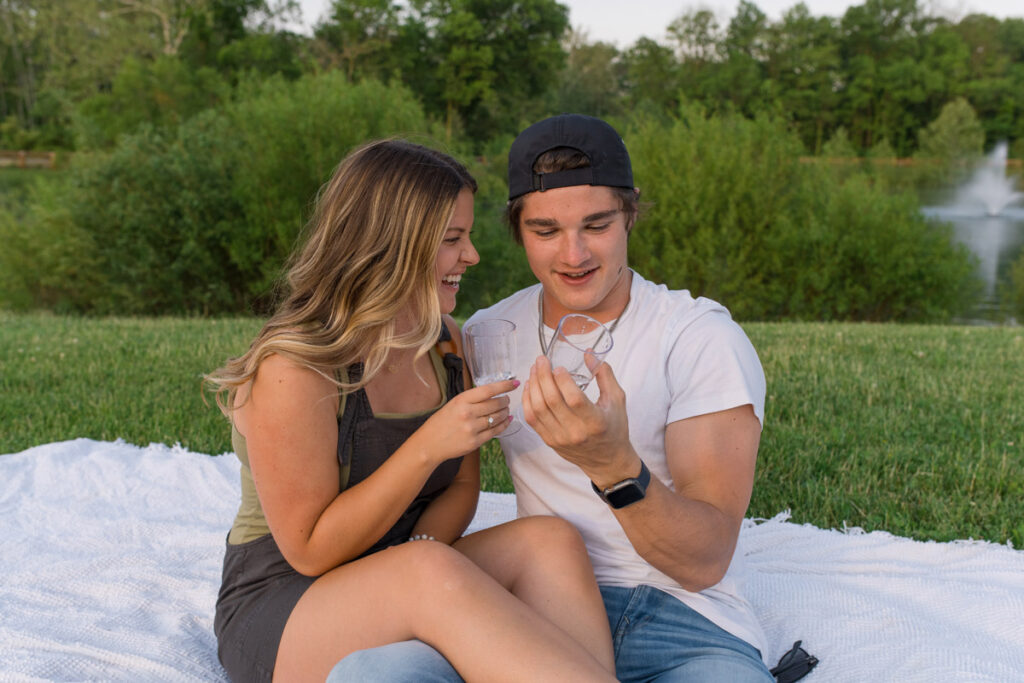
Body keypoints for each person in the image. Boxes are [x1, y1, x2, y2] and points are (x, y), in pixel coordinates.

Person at [328, 115, 774, 682]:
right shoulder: (489, 334)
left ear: (630, 213)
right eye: (545, 231)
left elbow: (705, 559)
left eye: (597, 224)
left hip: (680, 623)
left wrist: (613, 467)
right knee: (372, 674)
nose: (574, 254)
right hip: (531, 602)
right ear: (517, 231)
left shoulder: (697, 336)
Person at [204, 139, 617, 683]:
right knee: (427, 571)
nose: (471, 256)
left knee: (548, 540)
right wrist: (428, 448)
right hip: (286, 607)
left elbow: (459, 490)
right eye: (452, 240)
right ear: (389, 245)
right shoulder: (294, 369)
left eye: (466, 237)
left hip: (402, 571)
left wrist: (423, 564)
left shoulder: (444, 342)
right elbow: (307, 550)